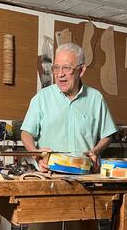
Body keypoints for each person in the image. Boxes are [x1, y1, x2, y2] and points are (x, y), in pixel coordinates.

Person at [20, 43, 118, 172]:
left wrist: (95, 151)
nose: (60, 74)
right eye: (56, 68)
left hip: (85, 174)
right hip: (50, 173)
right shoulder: (42, 98)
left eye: (66, 68)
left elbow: (107, 134)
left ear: (81, 70)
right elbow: (26, 133)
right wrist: (35, 153)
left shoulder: (96, 98)